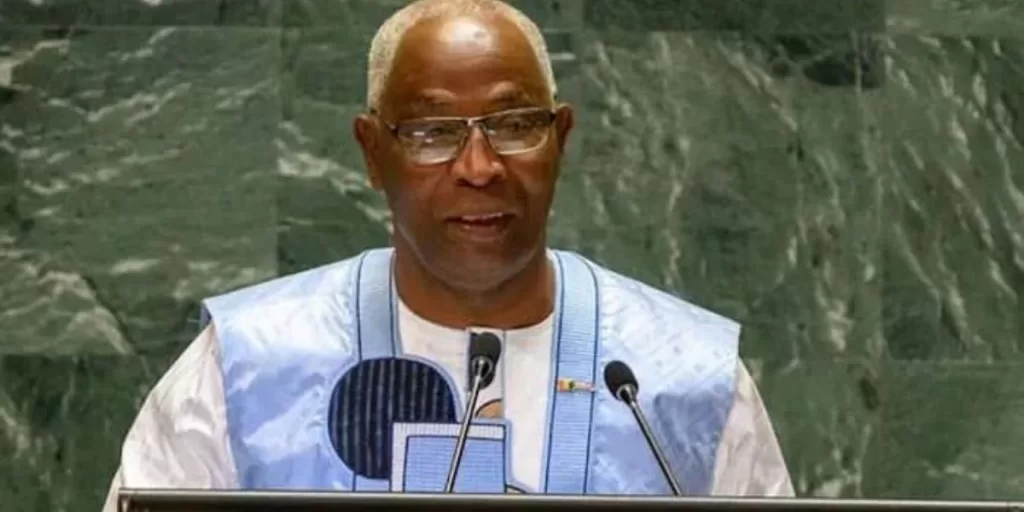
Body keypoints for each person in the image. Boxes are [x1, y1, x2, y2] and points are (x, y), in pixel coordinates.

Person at [101, 0, 793, 509]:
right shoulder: (247, 369)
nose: (479, 167)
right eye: (432, 132)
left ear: (561, 139)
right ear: (372, 152)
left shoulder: (682, 380)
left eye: (514, 124)